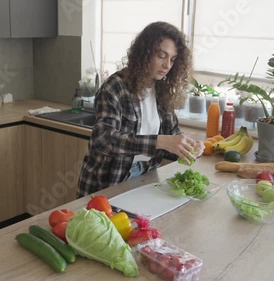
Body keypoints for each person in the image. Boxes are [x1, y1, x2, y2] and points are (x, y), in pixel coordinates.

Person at [77, 21, 204, 198]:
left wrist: (187, 148)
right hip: (106, 182)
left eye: (172, 59)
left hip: (146, 177)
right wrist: (160, 141)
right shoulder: (115, 87)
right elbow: (103, 139)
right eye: (161, 55)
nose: (167, 65)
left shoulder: (161, 90)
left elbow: (171, 135)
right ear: (144, 53)